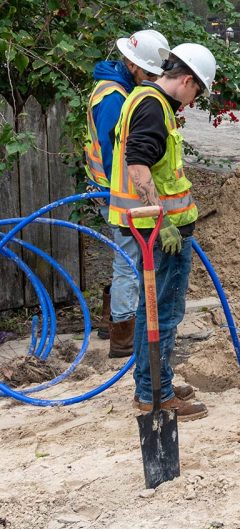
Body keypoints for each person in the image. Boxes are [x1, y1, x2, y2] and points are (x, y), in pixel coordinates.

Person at [108, 43, 217, 422]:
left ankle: (157, 382)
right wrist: (163, 221)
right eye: (196, 92)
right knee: (162, 314)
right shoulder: (153, 106)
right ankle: (155, 394)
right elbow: (137, 163)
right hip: (161, 235)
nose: (193, 100)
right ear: (186, 80)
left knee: (156, 312)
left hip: (158, 231)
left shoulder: (143, 98)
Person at [83, 30, 166, 356]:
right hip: (112, 190)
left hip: (107, 187)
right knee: (129, 261)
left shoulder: (116, 88)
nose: (152, 80)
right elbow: (112, 151)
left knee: (127, 257)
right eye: (149, 73)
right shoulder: (114, 98)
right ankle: (123, 337)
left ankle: (114, 322)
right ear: (132, 65)